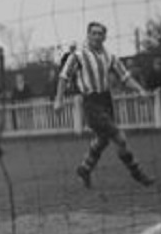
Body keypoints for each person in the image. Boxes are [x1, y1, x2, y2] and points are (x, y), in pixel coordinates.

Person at [57, 21, 154, 188]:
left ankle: (85, 168)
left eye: (100, 33)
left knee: (103, 139)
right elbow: (64, 76)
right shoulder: (78, 56)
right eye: (93, 33)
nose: (96, 36)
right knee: (119, 138)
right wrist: (58, 99)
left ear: (104, 37)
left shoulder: (110, 57)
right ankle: (138, 173)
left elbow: (125, 77)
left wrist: (140, 90)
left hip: (106, 100)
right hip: (91, 102)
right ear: (88, 35)